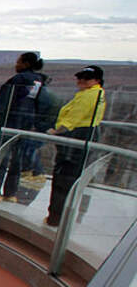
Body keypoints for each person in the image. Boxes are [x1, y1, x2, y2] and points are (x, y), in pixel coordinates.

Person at [45, 65, 106, 227]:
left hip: (77, 137)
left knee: (63, 177)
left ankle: (56, 218)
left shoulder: (91, 95)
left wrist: (56, 131)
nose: (81, 80)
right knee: (69, 177)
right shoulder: (93, 94)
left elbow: (74, 118)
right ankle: (62, 217)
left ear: (97, 81)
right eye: (80, 77)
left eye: (86, 78)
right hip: (81, 136)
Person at [0, 52, 45, 202]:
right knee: (17, 159)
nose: (16, 64)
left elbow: (4, 100)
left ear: (26, 63)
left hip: (11, 123)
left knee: (1, 158)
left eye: (18, 62)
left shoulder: (18, 79)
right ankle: (11, 193)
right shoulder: (39, 81)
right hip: (26, 125)